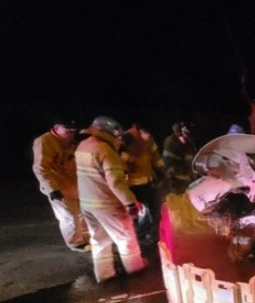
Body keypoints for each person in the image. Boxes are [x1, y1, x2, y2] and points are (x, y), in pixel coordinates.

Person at [76, 116, 146, 282]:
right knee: (126, 238)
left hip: (87, 204)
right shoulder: (105, 150)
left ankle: (105, 274)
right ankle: (136, 270)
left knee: (99, 240)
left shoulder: (83, 146)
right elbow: (116, 182)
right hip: (106, 204)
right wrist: (130, 203)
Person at [32, 118, 90, 252]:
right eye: (68, 130)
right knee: (69, 216)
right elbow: (40, 167)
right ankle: (75, 243)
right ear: (57, 127)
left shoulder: (71, 142)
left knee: (81, 214)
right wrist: (51, 188)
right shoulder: (44, 141)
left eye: (73, 131)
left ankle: (85, 239)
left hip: (74, 185)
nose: (71, 133)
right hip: (59, 187)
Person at [120, 122, 166, 243]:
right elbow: (118, 158)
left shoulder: (149, 140)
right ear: (140, 132)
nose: (150, 138)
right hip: (133, 186)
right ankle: (139, 236)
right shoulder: (127, 139)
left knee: (155, 210)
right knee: (140, 213)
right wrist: (130, 161)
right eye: (148, 134)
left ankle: (153, 235)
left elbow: (156, 157)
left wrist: (161, 173)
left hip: (149, 181)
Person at [163, 121, 197, 194]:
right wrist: (188, 177)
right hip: (178, 181)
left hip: (191, 178)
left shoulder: (189, 141)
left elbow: (193, 157)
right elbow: (170, 166)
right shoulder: (170, 142)